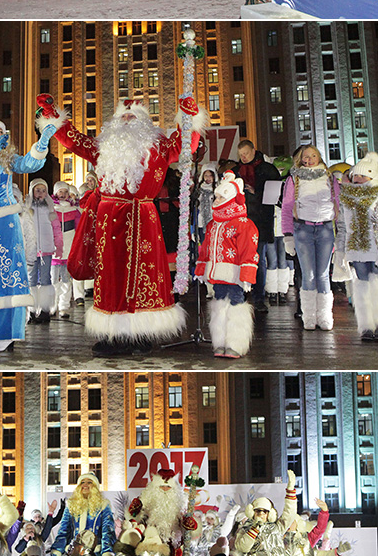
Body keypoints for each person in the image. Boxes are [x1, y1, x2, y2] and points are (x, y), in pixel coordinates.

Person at [35, 92, 204, 352]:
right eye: (122, 115)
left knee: (144, 275)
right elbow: (74, 141)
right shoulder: (103, 147)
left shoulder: (159, 146)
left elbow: (186, 144)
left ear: (145, 122)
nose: (127, 119)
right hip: (110, 221)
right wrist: (52, 115)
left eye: (132, 115)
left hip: (143, 219)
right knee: (111, 275)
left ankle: (142, 335)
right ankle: (115, 336)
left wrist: (188, 118)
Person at [0, 110, 58, 352]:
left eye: (1, 131)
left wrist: (42, 142)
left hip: (8, 221)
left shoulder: (7, 158)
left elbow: (29, 163)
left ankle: (6, 336)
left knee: (9, 276)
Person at [195, 169, 259, 358]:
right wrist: (201, 268)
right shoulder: (212, 225)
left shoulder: (243, 224)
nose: (215, 201)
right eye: (216, 198)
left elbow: (249, 251)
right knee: (219, 303)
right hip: (217, 275)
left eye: (220, 198)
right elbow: (205, 249)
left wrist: (246, 276)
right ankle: (220, 341)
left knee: (236, 306)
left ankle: (235, 343)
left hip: (234, 275)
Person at [281, 144, 340, 332]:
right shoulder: (293, 179)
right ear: (301, 159)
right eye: (306, 156)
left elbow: (338, 203)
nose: (309, 159)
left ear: (319, 157)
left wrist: (341, 233)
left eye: (313, 156)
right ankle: (309, 317)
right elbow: (287, 208)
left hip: (324, 229)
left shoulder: (329, 178)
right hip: (303, 230)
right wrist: (288, 235)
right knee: (308, 274)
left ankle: (324, 316)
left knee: (323, 274)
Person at [333, 151, 378, 339]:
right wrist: (340, 251)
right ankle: (367, 326)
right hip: (356, 249)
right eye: (355, 175)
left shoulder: (375, 196)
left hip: (374, 247)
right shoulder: (347, 199)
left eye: (362, 175)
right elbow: (342, 226)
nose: (358, 178)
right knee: (361, 284)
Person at [233, 139, 281, 314]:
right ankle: (241, 295)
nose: (243, 157)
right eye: (241, 155)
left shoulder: (268, 170)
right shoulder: (235, 171)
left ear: (254, 150)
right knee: (239, 259)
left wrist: (256, 192)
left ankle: (259, 298)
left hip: (260, 221)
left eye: (246, 153)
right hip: (240, 222)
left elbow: (276, 195)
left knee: (258, 260)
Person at [22, 178, 62, 323]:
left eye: (43, 190)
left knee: (45, 278)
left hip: (46, 248)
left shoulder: (50, 209)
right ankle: (31, 310)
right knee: (31, 279)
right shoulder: (27, 208)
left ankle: (45, 310)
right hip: (31, 250)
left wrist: (59, 245)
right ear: (32, 192)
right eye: (37, 190)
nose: (40, 193)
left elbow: (57, 228)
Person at [50, 181, 82, 317]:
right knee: (52, 280)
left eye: (65, 192)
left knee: (65, 280)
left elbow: (79, 228)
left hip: (68, 249)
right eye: (60, 192)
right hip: (54, 249)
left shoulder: (74, 211)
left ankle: (63, 306)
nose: (62, 194)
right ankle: (52, 306)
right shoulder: (51, 209)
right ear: (55, 193)